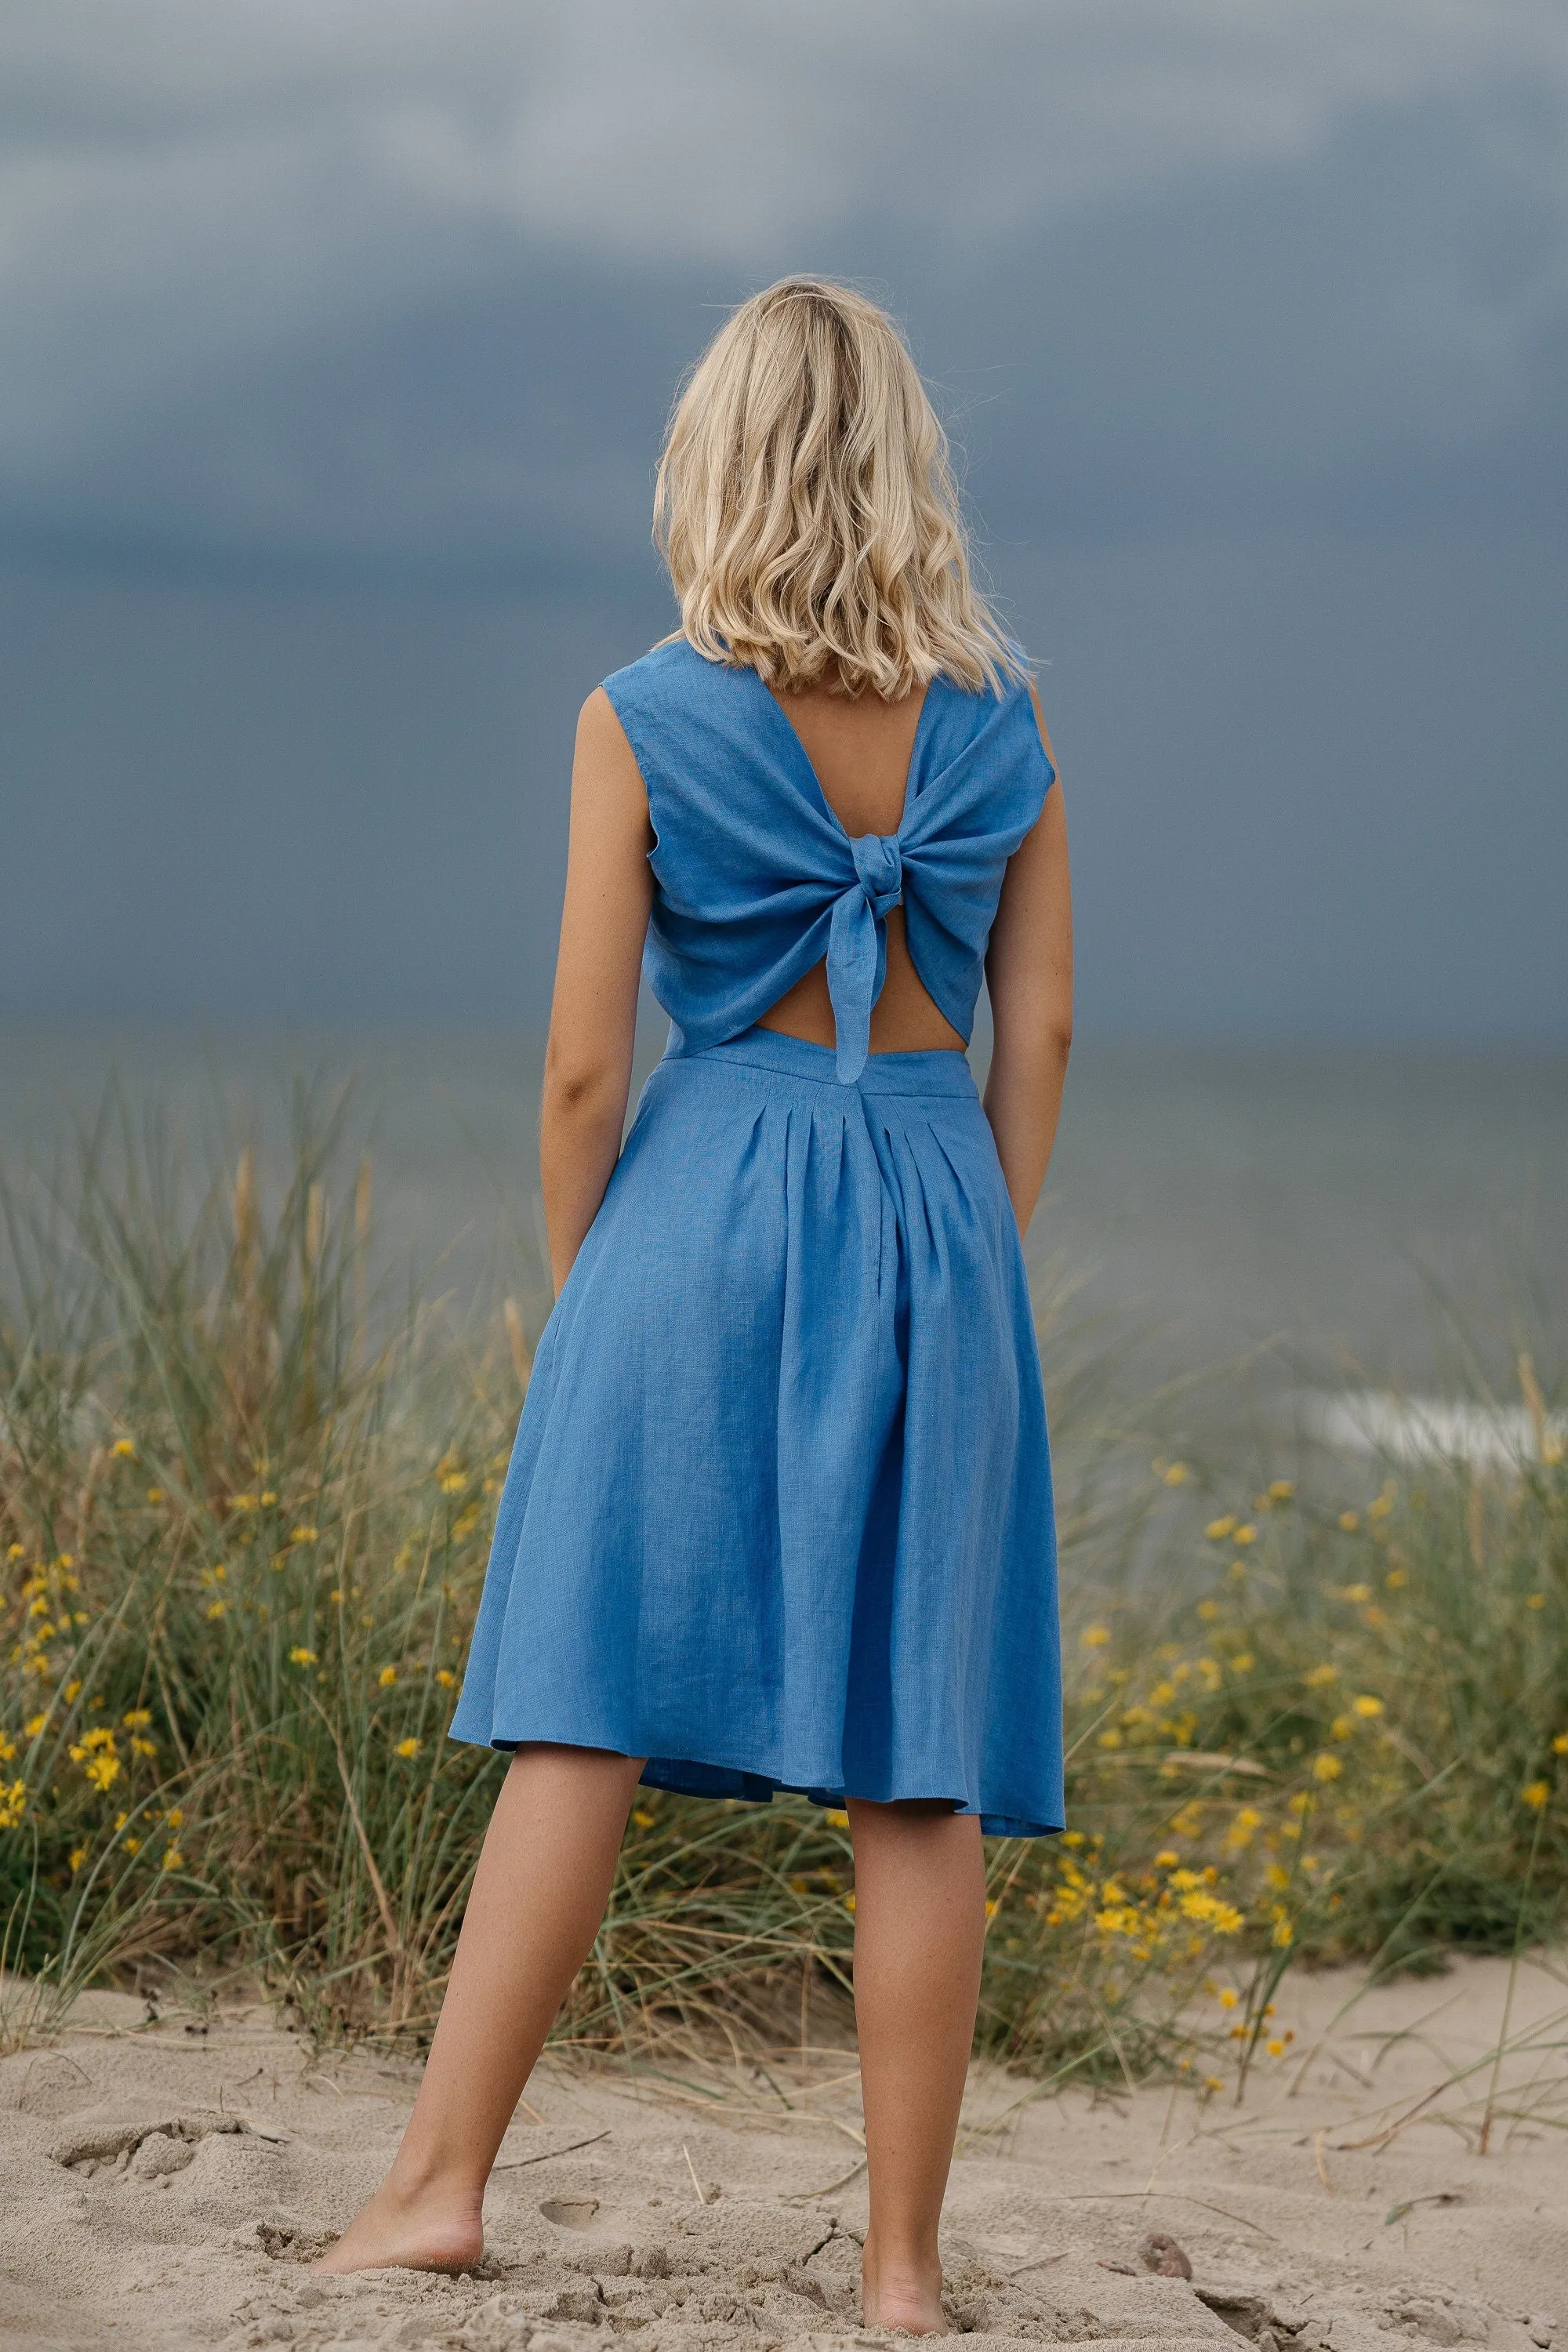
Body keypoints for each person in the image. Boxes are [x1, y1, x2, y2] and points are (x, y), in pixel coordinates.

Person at [318, 277, 1073, 2333]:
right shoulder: (1000, 719)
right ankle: (904, 2272)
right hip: (933, 1211)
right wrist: (964, 1241)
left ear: (714, 465)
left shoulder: (642, 715)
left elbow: (580, 1070)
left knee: (586, 1703)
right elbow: (1047, 1025)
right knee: (917, 1762)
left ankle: (440, 2186)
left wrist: (596, 1285)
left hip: (702, 1216)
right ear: (906, 469)